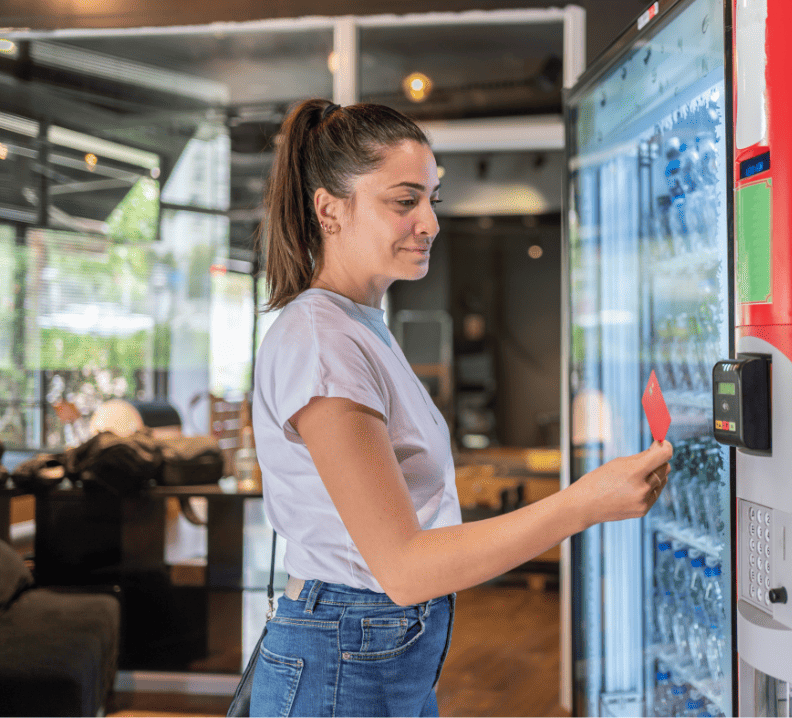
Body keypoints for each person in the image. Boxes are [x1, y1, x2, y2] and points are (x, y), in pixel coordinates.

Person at [249, 98, 672, 718]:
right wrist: (582, 504)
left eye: (432, 199)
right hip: (346, 650)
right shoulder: (323, 339)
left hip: (370, 647)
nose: (430, 222)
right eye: (404, 201)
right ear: (328, 210)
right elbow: (403, 568)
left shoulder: (359, 326)